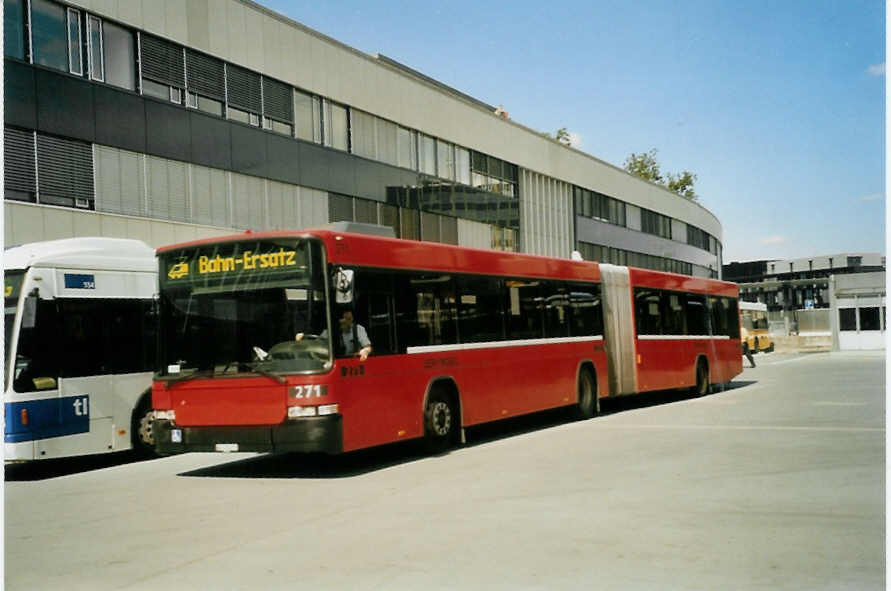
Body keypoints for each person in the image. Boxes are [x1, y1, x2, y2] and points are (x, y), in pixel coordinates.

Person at [300, 309, 372, 361]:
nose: (348, 322)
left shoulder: (359, 329)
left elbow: (368, 347)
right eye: (346, 319)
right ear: (339, 320)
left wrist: (365, 351)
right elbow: (315, 346)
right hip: (333, 362)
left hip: (352, 362)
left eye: (350, 319)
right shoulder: (329, 332)